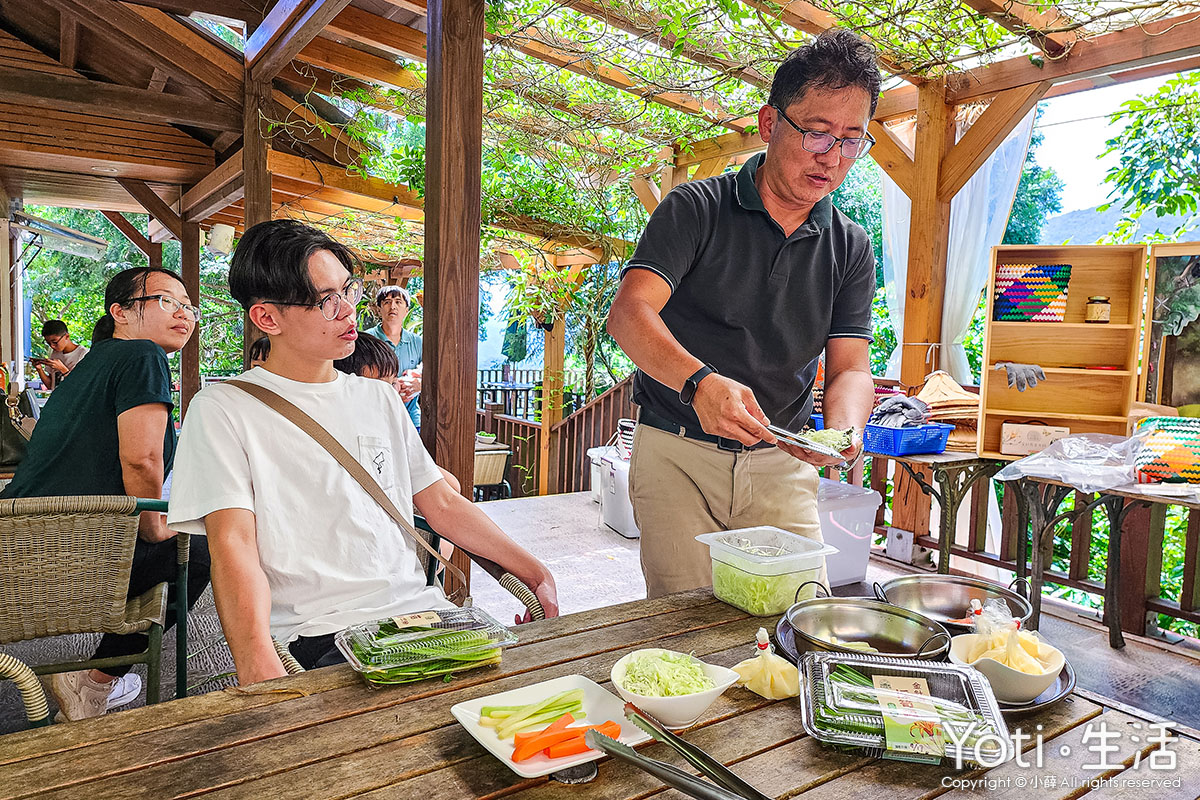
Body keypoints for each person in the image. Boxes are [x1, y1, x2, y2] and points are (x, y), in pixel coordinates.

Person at [166, 220, 558, 681]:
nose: (350, 311)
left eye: (349, 291)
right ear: (268, 318)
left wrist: (534, 572)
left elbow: (442, 503)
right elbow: (232, 546)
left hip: (423, 617)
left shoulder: (379, 397)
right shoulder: (223, 408)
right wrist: (257, 665)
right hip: (322, 635)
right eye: (328, 301)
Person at [606, 29, 879, 599]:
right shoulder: (694, 209)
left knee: (801, 624)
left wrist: (845, 433)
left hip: (783, 462)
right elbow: (630, 314)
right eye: (816, 132)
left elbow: (851, 365)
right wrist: (698, 383)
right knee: (688, 631)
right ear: (768, 123)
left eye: (853, 140)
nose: (832, 157)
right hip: (677, 453)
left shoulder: (850, 246)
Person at [2, 267, 210, 720]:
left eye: (188, 305)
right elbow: (142, 460)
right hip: (72, 559)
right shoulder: (141, 356)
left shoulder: (90, 366)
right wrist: (155, 525)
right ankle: (92, 683)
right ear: (120, 312)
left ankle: (93, 678)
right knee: (203, 550)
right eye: (167, 301)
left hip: (17, 551)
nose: (184, 313)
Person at [334, 331, 462, 494]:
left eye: (393, 382)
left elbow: (451, 487)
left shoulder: (390, 433)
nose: (391, 394)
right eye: (380, 386)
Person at [365, 285, 422, 428]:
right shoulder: (367, 340)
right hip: (376, 420)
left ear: (406, 310)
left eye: (398, 301)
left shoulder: (418, 342)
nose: (393, 306)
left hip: (411, 421)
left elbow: (433, 375)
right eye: (387, 302)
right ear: (379, 309)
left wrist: (421, 385)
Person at [33, 319, 89, 389]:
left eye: (55, 342)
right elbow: (51, 385)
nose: (52, 346)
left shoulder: (83, 354)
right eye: (48, 343)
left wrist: (62, 369)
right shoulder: (55, 353)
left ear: (67, 336)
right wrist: (39, 369)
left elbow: (82, 386)